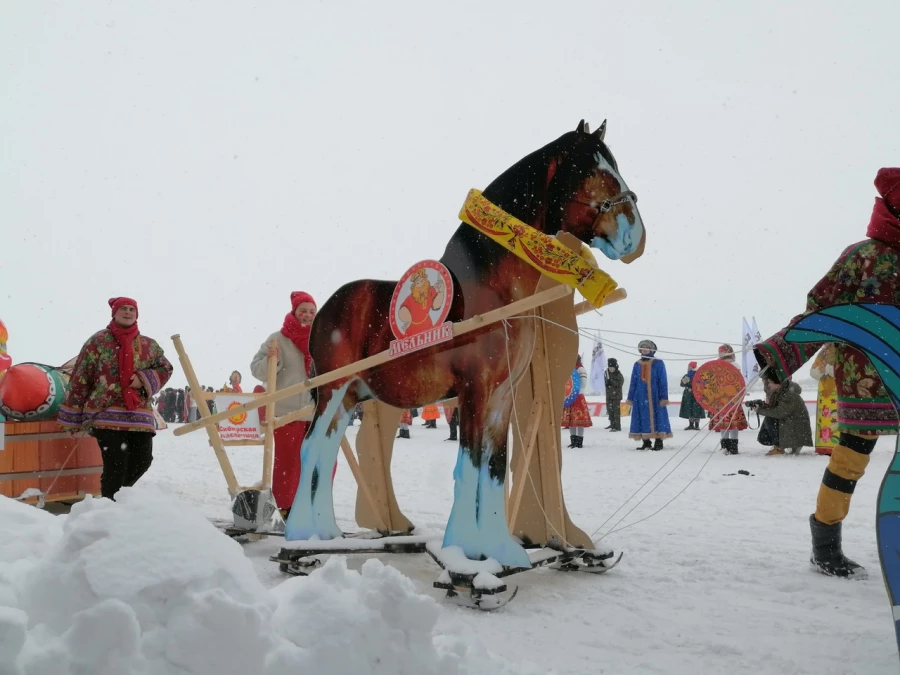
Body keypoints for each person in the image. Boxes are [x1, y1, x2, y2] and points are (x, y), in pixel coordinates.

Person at [754, 167, 900, 579]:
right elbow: (822, 311)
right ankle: (826, 542)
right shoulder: (862, 257)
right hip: (865, 379)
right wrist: (781, 353)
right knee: (852, 459)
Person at [58, 297, 173, 499]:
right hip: (105, 413)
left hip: (138, 414)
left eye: (132, 309)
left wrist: (143, 378)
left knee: (143, 460)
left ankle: (116, 500)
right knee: (115, 463)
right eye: (123, 309)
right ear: (114, 313)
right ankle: (111, 506)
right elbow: (81, 377)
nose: (128, 313)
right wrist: (72, 420)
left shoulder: (149, 345)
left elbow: (166, 368)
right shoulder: (98, 341)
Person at [251, 291, 334, 517]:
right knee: (288, 463)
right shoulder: (278, 339)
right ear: (294, 312)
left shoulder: (323, 337)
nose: (307, 315)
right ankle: (286, 508)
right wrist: (272, 359)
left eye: (311, 312)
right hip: (287, 411)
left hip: (317, 411)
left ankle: (315, 505)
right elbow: (256, 370)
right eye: (303, 311)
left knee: (323, 461)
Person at [626, 340, 672, 451]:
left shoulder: (658, 363)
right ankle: (646, 441)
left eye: (647, 347)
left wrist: (663, 397)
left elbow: (663, 381)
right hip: (640, 396)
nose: (644, 349)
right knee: (642, 418)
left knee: (658, 418)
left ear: (652, 349)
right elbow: (633, 382)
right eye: (643, 347)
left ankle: (658, 441)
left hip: (655, 396)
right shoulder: (637, 364)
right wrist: (631, 397)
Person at [749, 379, 813, 455]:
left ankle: (779, 447)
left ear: (778, 384)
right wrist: (761, 405)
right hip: (792, 425)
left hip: (796, 429)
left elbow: (779, 413)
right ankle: (780, 445)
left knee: (770, 418)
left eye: (770, 383)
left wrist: (759, 410)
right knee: (767, 426)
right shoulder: (781, 392)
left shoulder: (790, 395)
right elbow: (774, 407)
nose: (768, 385)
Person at [708, 345, 748, 455]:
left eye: (722, 352)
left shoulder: (735, 365)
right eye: (719, 351)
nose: (720, 354)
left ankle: (734, 446)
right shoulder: (716, 365)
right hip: (720, 400)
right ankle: (724, 446)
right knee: (723, 424)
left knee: (733, 423)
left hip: (732, 400)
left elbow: (739, 382)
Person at [810, 345, 839, 456]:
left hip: (837, 390)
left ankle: (837, 446)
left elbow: (841, 370)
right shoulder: (823, 352)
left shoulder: (841, 350)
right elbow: (812, 372)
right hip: (824, 393)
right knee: (824, 419)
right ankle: (824, 445)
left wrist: (826, 368)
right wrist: (820, 370)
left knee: (836, 418)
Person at [561, 355, 592, 447]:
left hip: (578, 396)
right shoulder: (568, 369)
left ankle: (579, 441)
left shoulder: (580, 369)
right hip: (570, 397)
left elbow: (583, 383)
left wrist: (574, 388)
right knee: (571, 420)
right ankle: (573, 440)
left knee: (579, 420)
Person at [679, 361, 705, 430]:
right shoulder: (689, 375)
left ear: (692, 366)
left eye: (689, 366)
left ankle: (695, 425)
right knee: (692, 408)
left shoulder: (697, 375)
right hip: (691, 394)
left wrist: (689, 385)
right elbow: (682, 384)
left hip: (694, 394)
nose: (688, 367)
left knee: (694, 408)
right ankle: (693, 425)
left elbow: (701, 384)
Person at [604, 358, 625, 432]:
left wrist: (612, 381)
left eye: (612, 368)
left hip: (616, 396)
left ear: (615, 367)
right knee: (610, 410)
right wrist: (607, 383)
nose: (611, 369)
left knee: (616, 411)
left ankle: (617, 426)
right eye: (609, 368)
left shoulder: (618, 374)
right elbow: (606, 383)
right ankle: (612, 424)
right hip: (609, 395)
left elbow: (620, 384)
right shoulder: (606, 373)